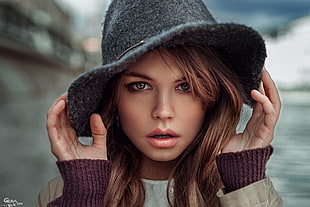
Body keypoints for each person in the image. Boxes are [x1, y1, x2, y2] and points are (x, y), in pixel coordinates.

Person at [36, 0, 282, 206]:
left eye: (185, 87)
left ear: (213, 98)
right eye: (140, 86)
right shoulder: (63, 194)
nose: (163, 111)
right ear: (113, 100)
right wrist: (84, 196)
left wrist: (244, 181)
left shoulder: (247, 191)